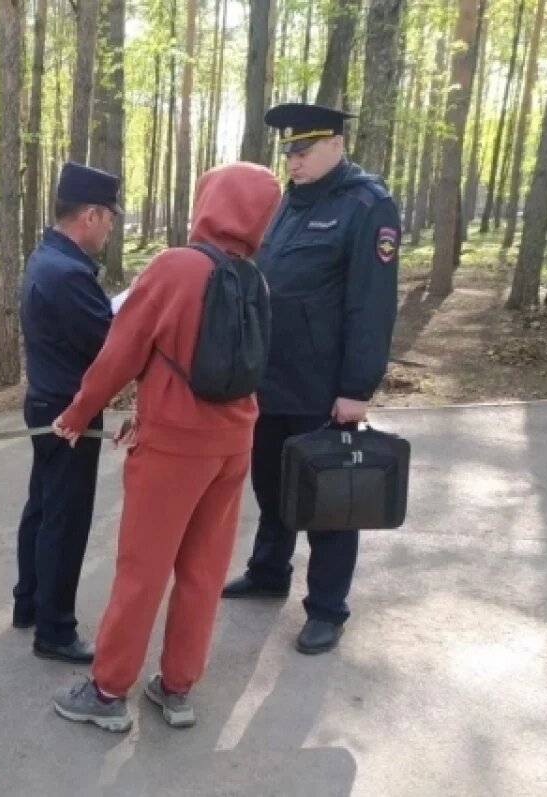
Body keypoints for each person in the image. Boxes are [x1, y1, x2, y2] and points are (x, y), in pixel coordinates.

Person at [48, 162, 282, 733]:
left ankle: (107, 691)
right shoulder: (254, 277)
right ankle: (177, 688)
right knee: (203, 570)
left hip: (174, 447)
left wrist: (78, 414)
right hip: (234, 444)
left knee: (142, 570)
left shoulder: (176, 267)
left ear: (210, 201)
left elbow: (119, 354)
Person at [221, 103, 400, 655]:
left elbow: (371, 307)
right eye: (289, 153)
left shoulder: (367, 206)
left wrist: (356, 389)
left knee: (330, 499)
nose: (293, 161)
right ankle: (269, 570)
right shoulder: (286, 206)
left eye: (303, 150)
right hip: (271, 378)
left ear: (336, 145)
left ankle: (326, 607)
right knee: (270, 485)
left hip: (324, 386)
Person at [13, 161, 121, 664]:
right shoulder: (70, 273)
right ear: (92, 215)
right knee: (65, 518)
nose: (111, 229)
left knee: (42, 507)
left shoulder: (47, 257)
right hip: (68, 411)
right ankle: (54, 629)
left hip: (47, 400)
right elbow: (108, 344)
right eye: (110, 219)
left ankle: (29, 604)